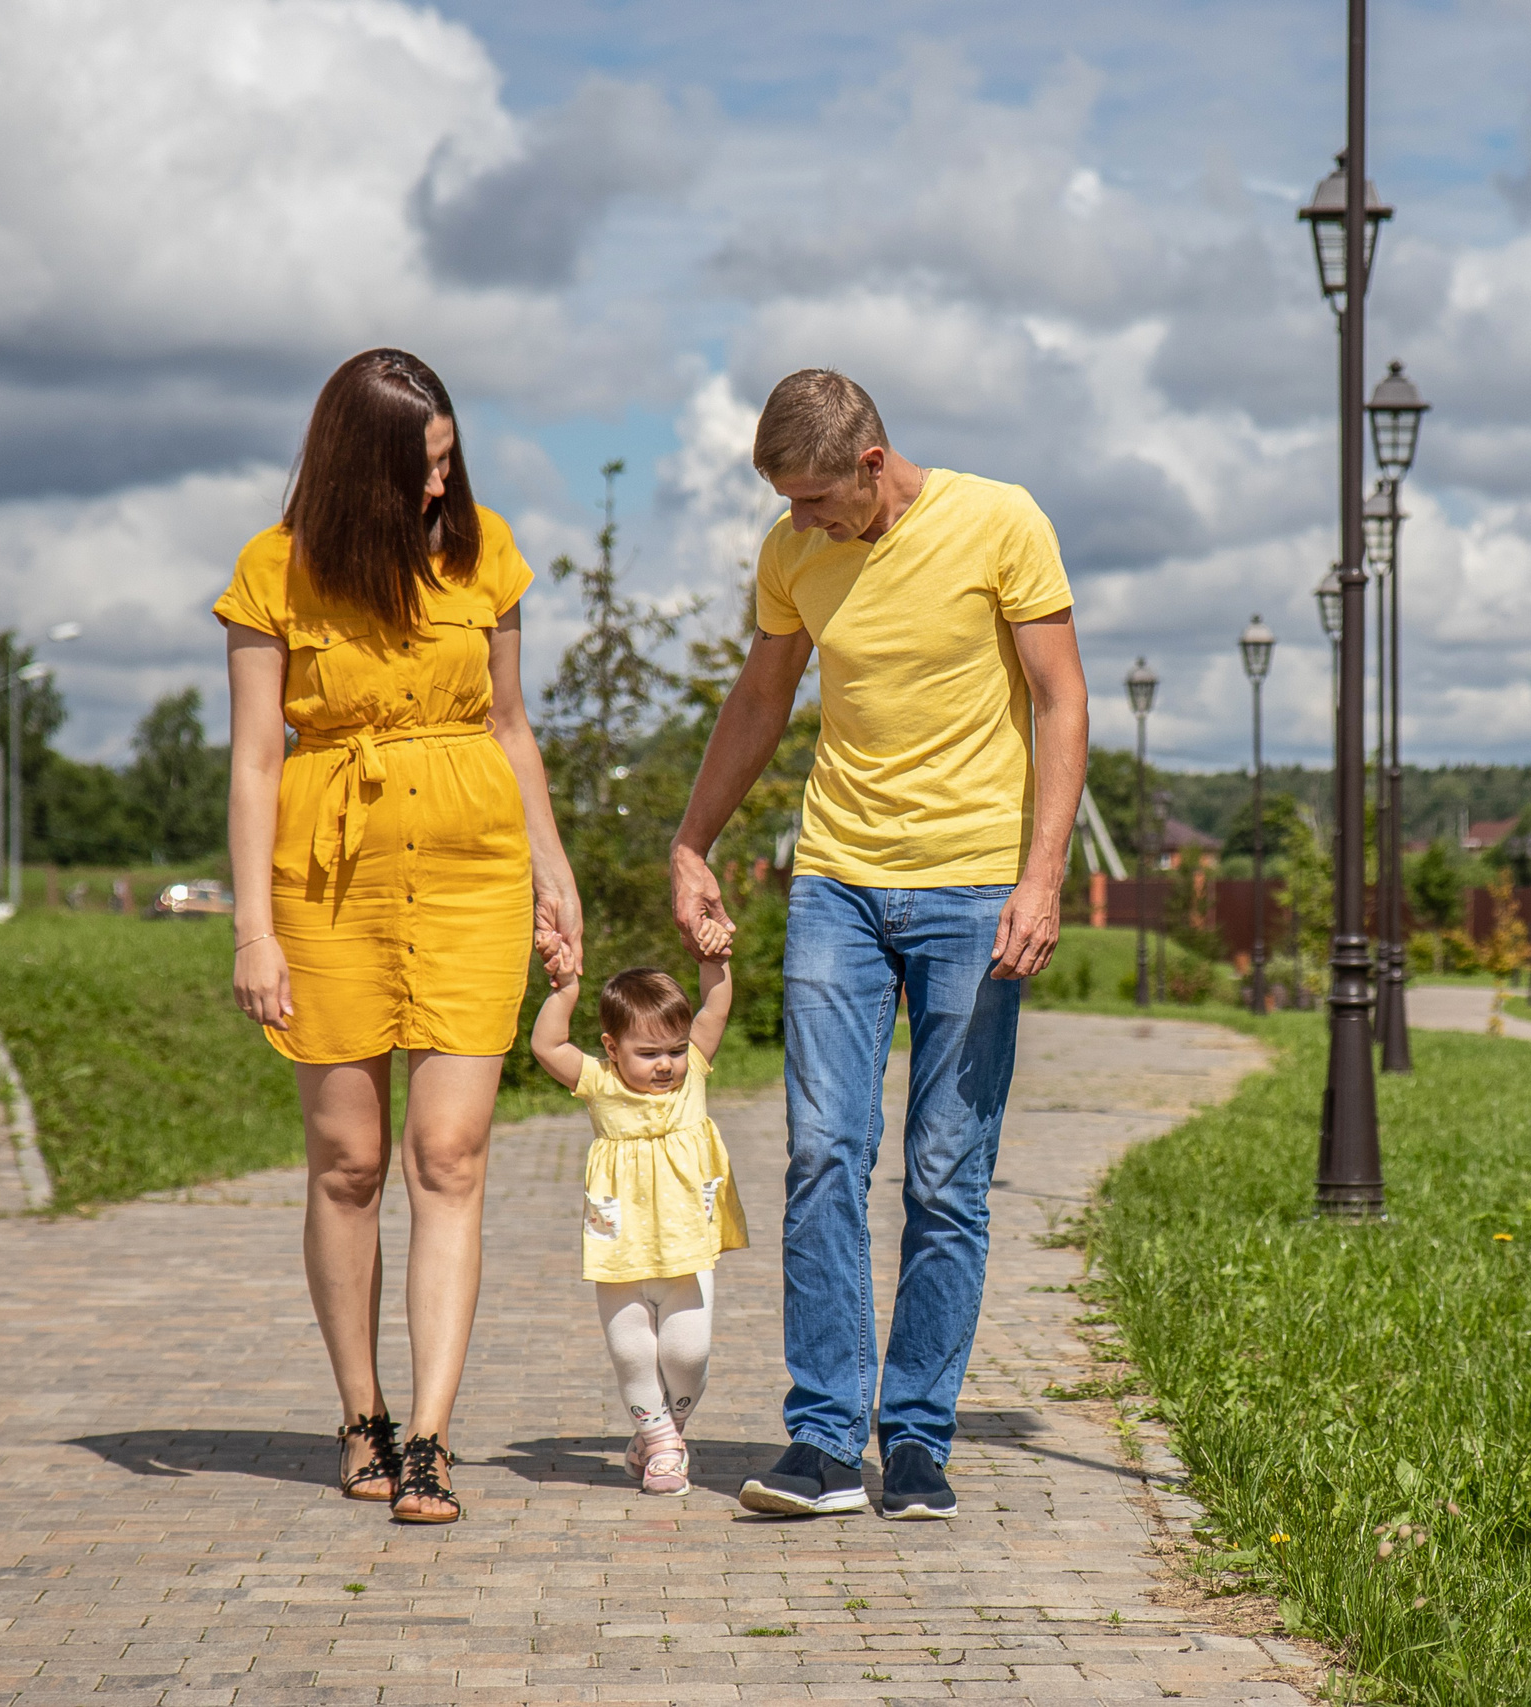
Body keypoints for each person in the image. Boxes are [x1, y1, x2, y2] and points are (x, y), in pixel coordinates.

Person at [670, 368, 1088, 1520]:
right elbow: (761, 700)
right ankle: (820, 1437)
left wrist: (1042, 876)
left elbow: (1060, 699)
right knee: (822, 1155)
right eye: (786, 503)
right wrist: (693, 840)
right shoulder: (793, 553)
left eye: (815, 499)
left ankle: (914, 1438)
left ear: (871, 462)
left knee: (946, 1176)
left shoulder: (1000, 521)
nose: (799, 522)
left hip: (976, 888)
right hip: (838, 884)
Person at [221, 348, 581, 1525]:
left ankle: (428, 1434)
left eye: (448, 459)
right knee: (349, 1162)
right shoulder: (274, 572)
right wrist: (254, 930)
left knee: (451, 1154)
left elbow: (512, 726)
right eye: (421, 466)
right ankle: (361, 1415)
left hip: (474, 873)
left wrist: (553, 874)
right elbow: (256, 760)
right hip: (328, 887)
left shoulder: (485, 552)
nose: (441, 484)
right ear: (358, 466)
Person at [529, 955, 747, 1494]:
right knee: (632, 1353)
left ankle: (662, 1429)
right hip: (620, 1249)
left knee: (687, 1355)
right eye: (647, 1053)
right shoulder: (599, 1082)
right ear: (611, 1048)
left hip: (687, 1248)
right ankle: (664, 1446)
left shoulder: (694, 1073)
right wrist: (566, 989)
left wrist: (713, 959)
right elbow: (547, 1046)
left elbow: (715, 1007)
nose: (665, 1064)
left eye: (674, 1050)